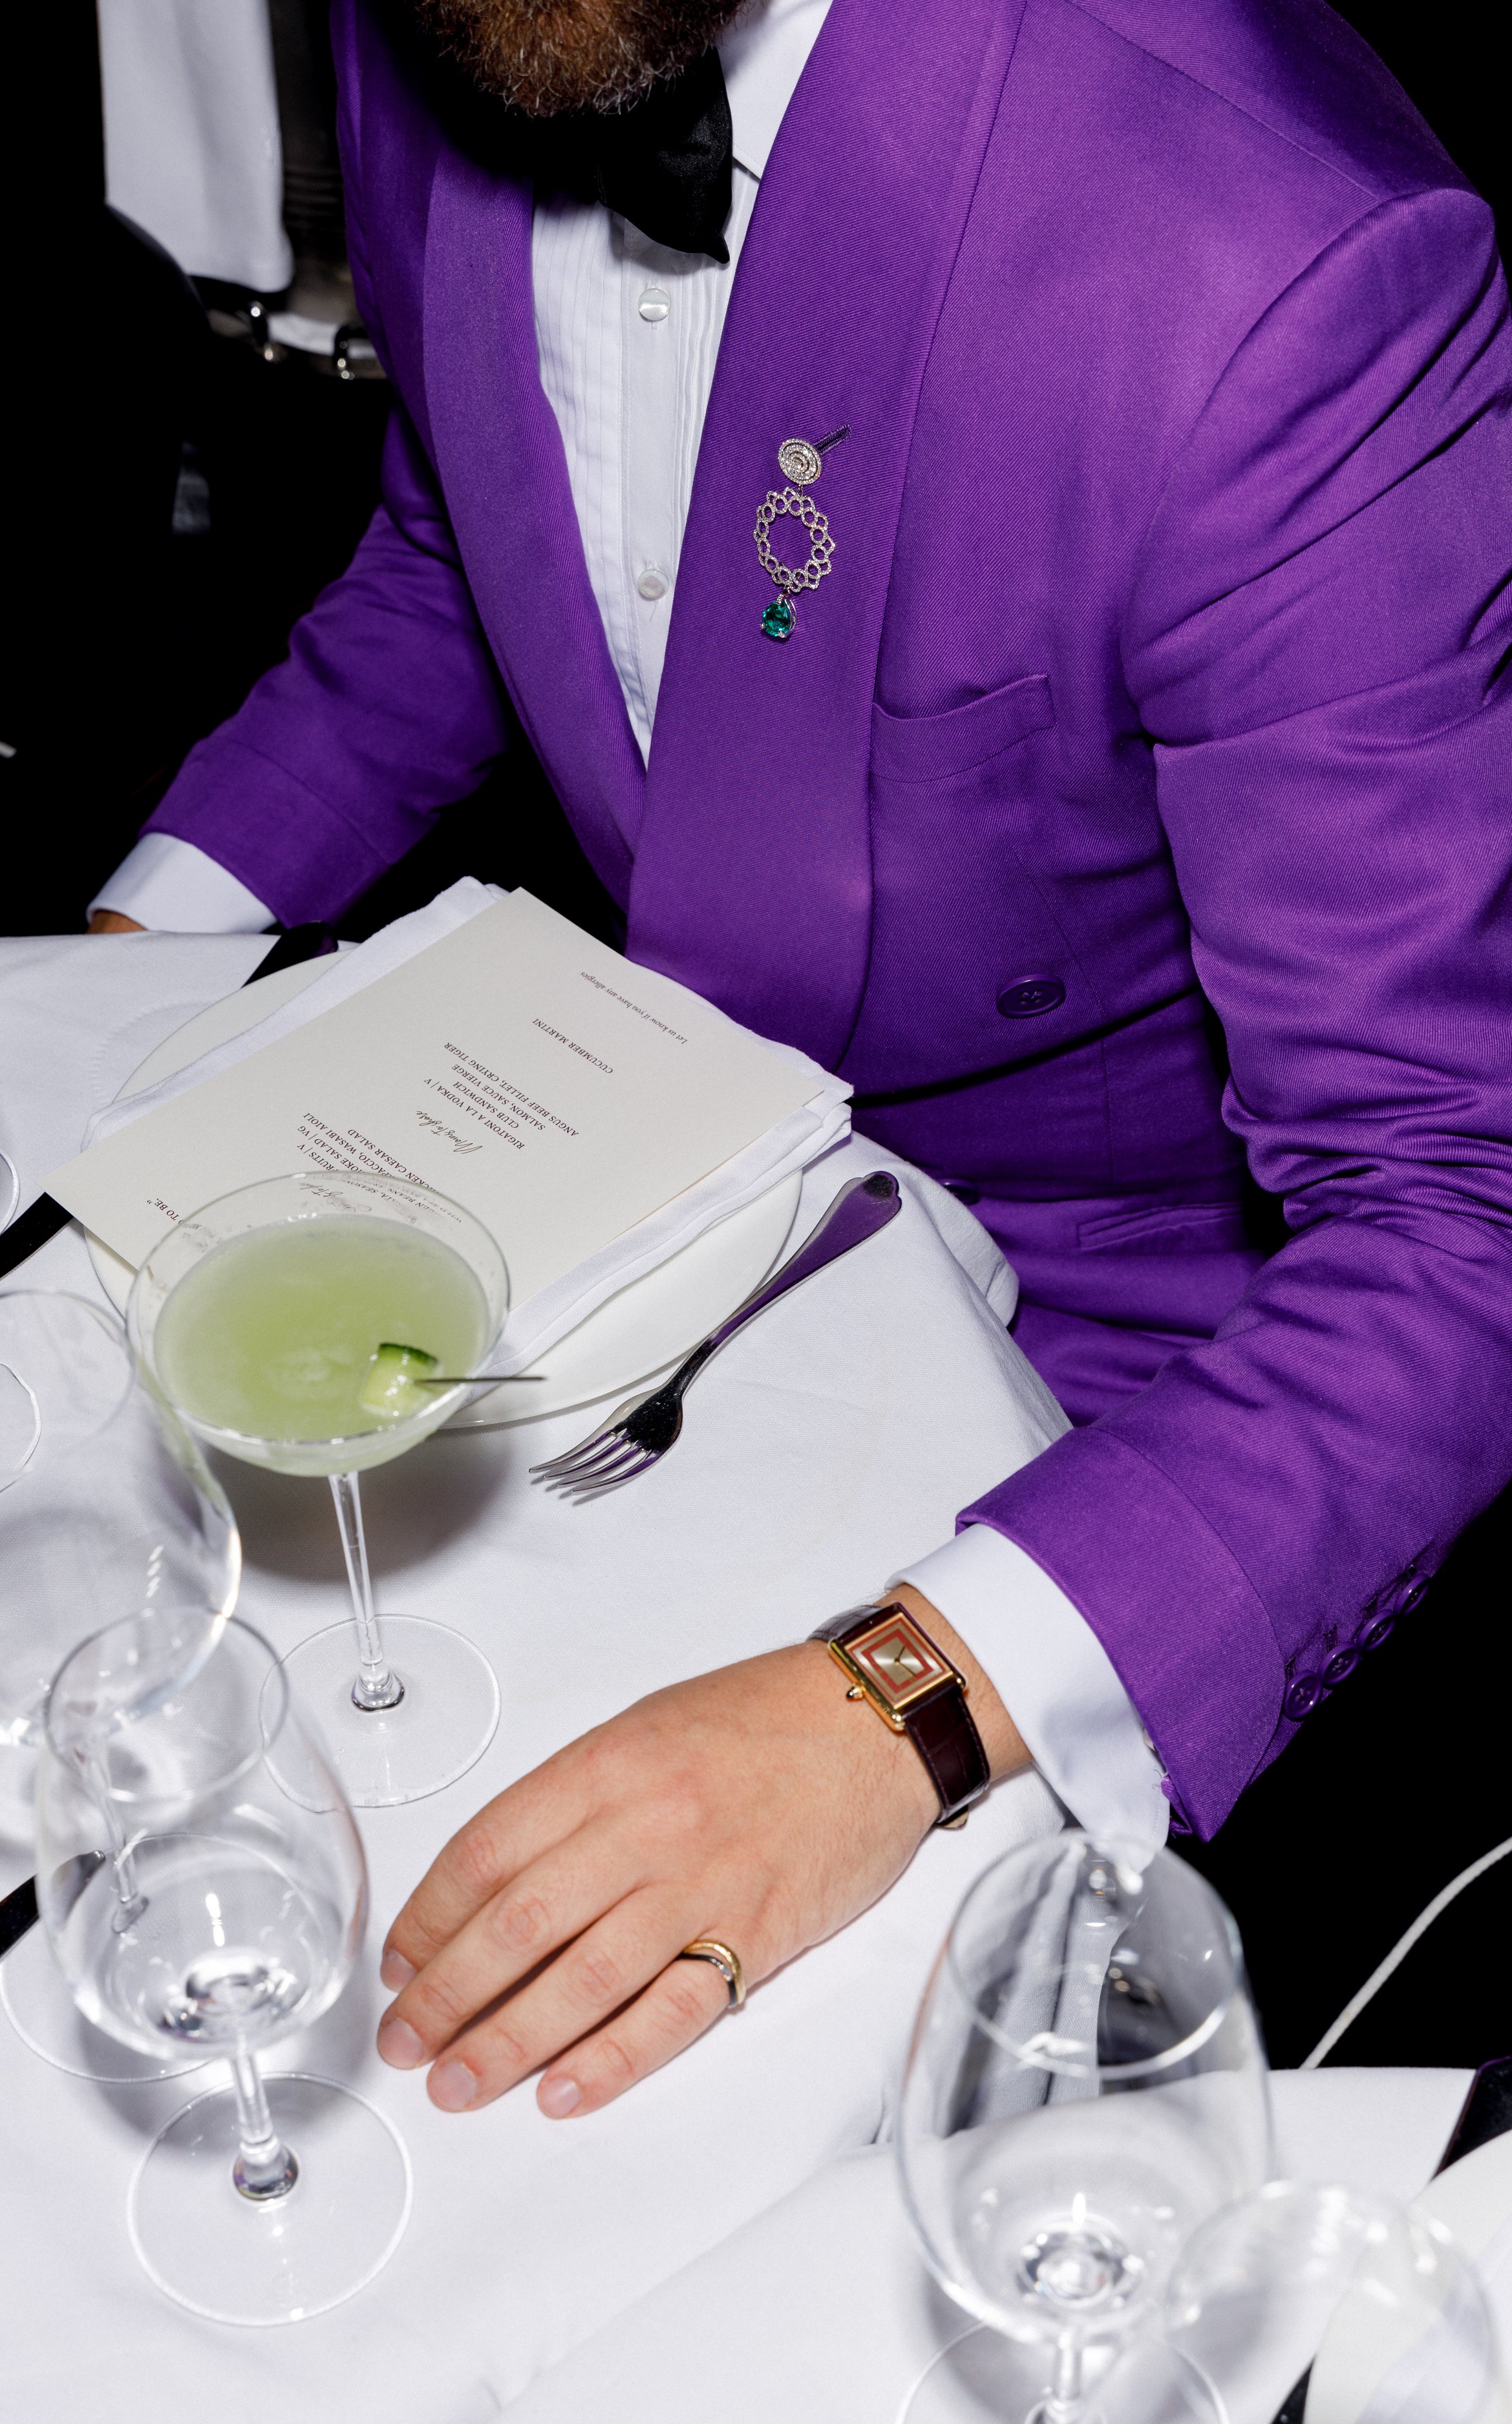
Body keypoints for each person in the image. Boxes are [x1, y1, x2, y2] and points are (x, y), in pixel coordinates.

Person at [91, 0, 1512, 2119]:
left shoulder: (1278, 262)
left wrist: (895, 1712)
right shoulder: (450, 35)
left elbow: (1462, 1220)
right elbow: (451, 561)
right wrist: (103, 985)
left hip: (1120, 1352)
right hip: (611, 1150)